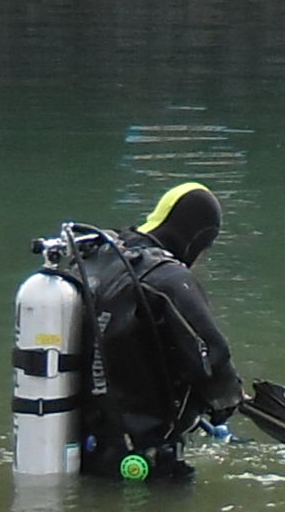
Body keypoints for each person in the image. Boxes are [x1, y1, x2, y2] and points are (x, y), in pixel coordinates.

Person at [68, 181, 242, 478]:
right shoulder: (168, 279)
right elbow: (212, 360)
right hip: (141, 463)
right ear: (196, 238)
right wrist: (227, 402)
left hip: (79, 447)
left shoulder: (97, 256)